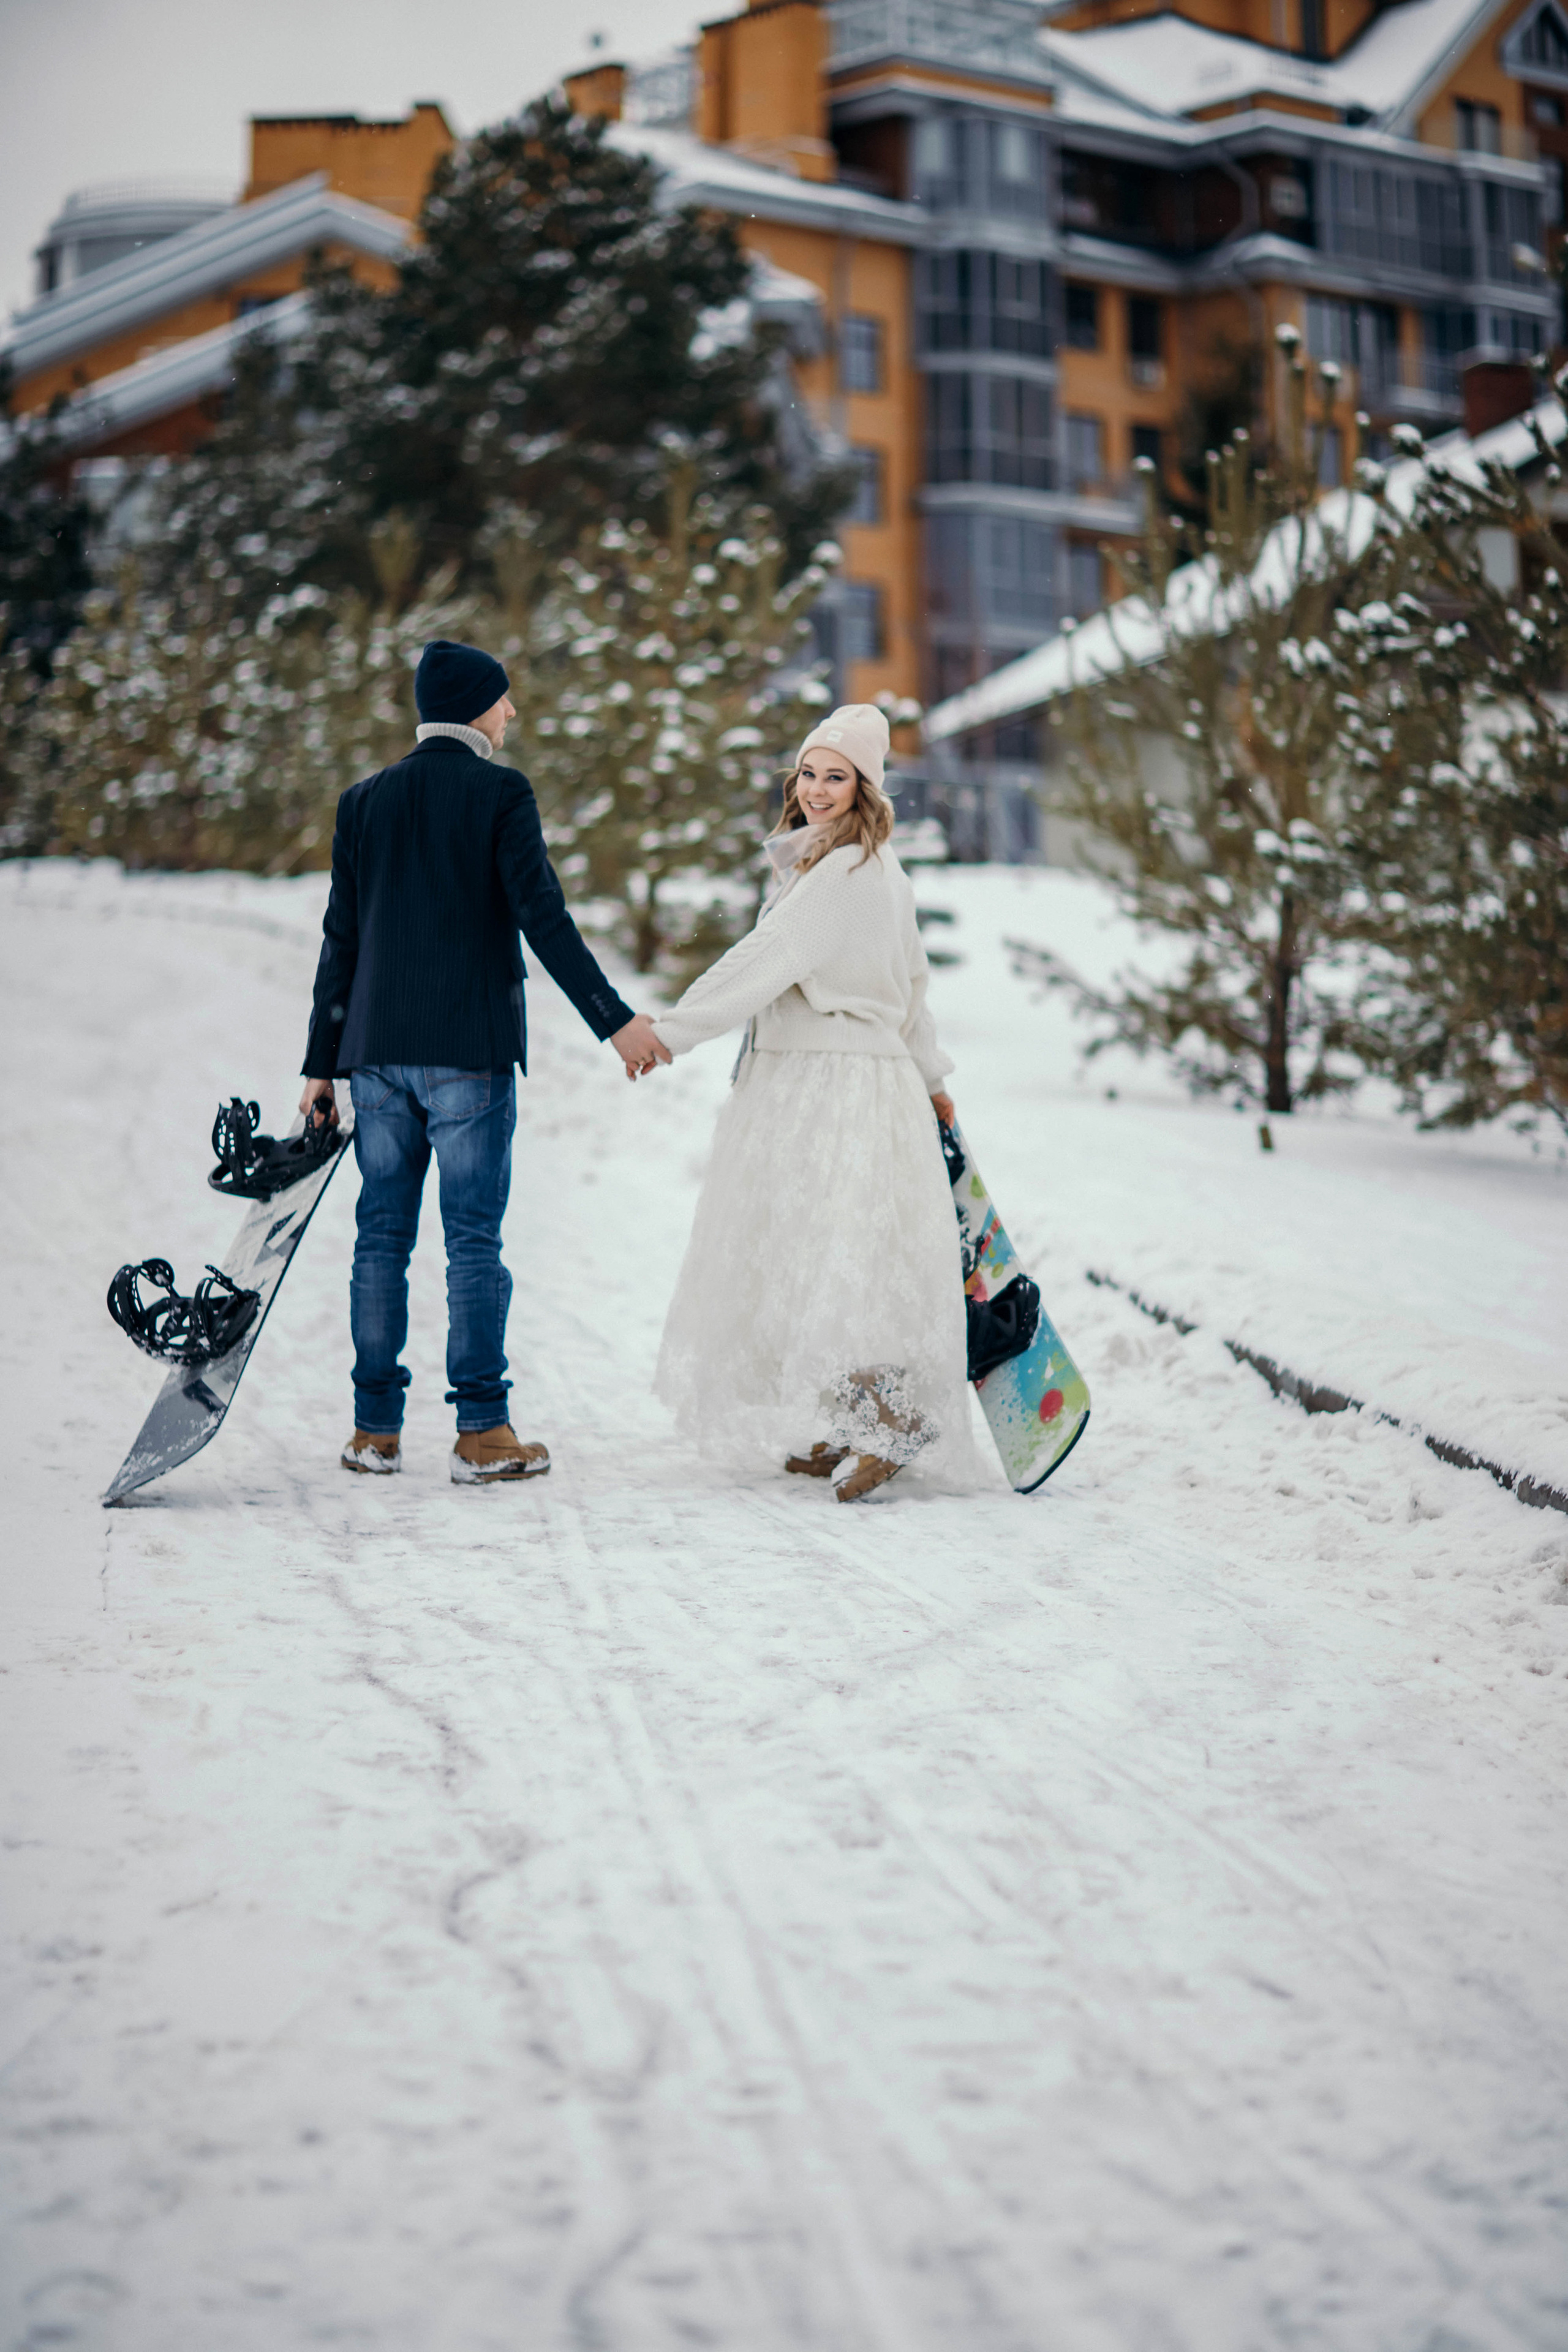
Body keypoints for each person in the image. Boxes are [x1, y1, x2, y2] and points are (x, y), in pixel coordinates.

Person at [298, 638, 669, 1485]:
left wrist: (322, 1065)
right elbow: (543, 916)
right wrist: (614, 1021)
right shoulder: (501, 792)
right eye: (504, 698)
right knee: (471, 1240)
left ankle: (374, 1431)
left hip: (376, 1056)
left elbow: (341, 939)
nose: (512, 712)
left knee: (380, 1238)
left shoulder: (364, 801)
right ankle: (482, 1431)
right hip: (468, 1051)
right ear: (474, 704)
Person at [648, 704, 976, 1502]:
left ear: (865, 788)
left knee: (833, 1250)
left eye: (838, 777)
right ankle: (852, 1411)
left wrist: (668, 1032)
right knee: (820, 1248)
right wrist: (930, 1080)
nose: (818, 789)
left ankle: (890, 1417)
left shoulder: (845, 871)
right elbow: (914, 988)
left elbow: (766, 959)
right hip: (848, 1079)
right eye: (809, 773)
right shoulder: (862, 867)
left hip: (834, 1083)